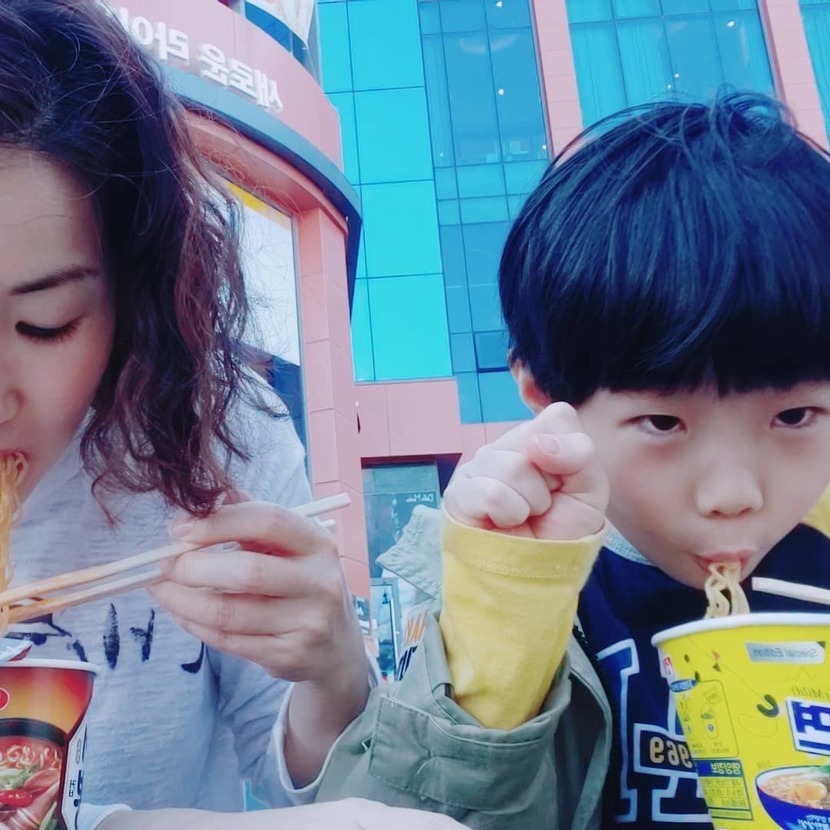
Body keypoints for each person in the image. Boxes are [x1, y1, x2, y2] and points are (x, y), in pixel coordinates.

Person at [0, 2, 464, 829]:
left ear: (130, 300)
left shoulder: (215, 437)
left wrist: (330, 671)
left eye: (46, 324)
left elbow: (318, 792)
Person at [309, 93, 830, 828]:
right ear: (546, 394)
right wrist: (502, 617)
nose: (732, 494)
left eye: (795, 417)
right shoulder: (521, 591)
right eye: (663, 422)